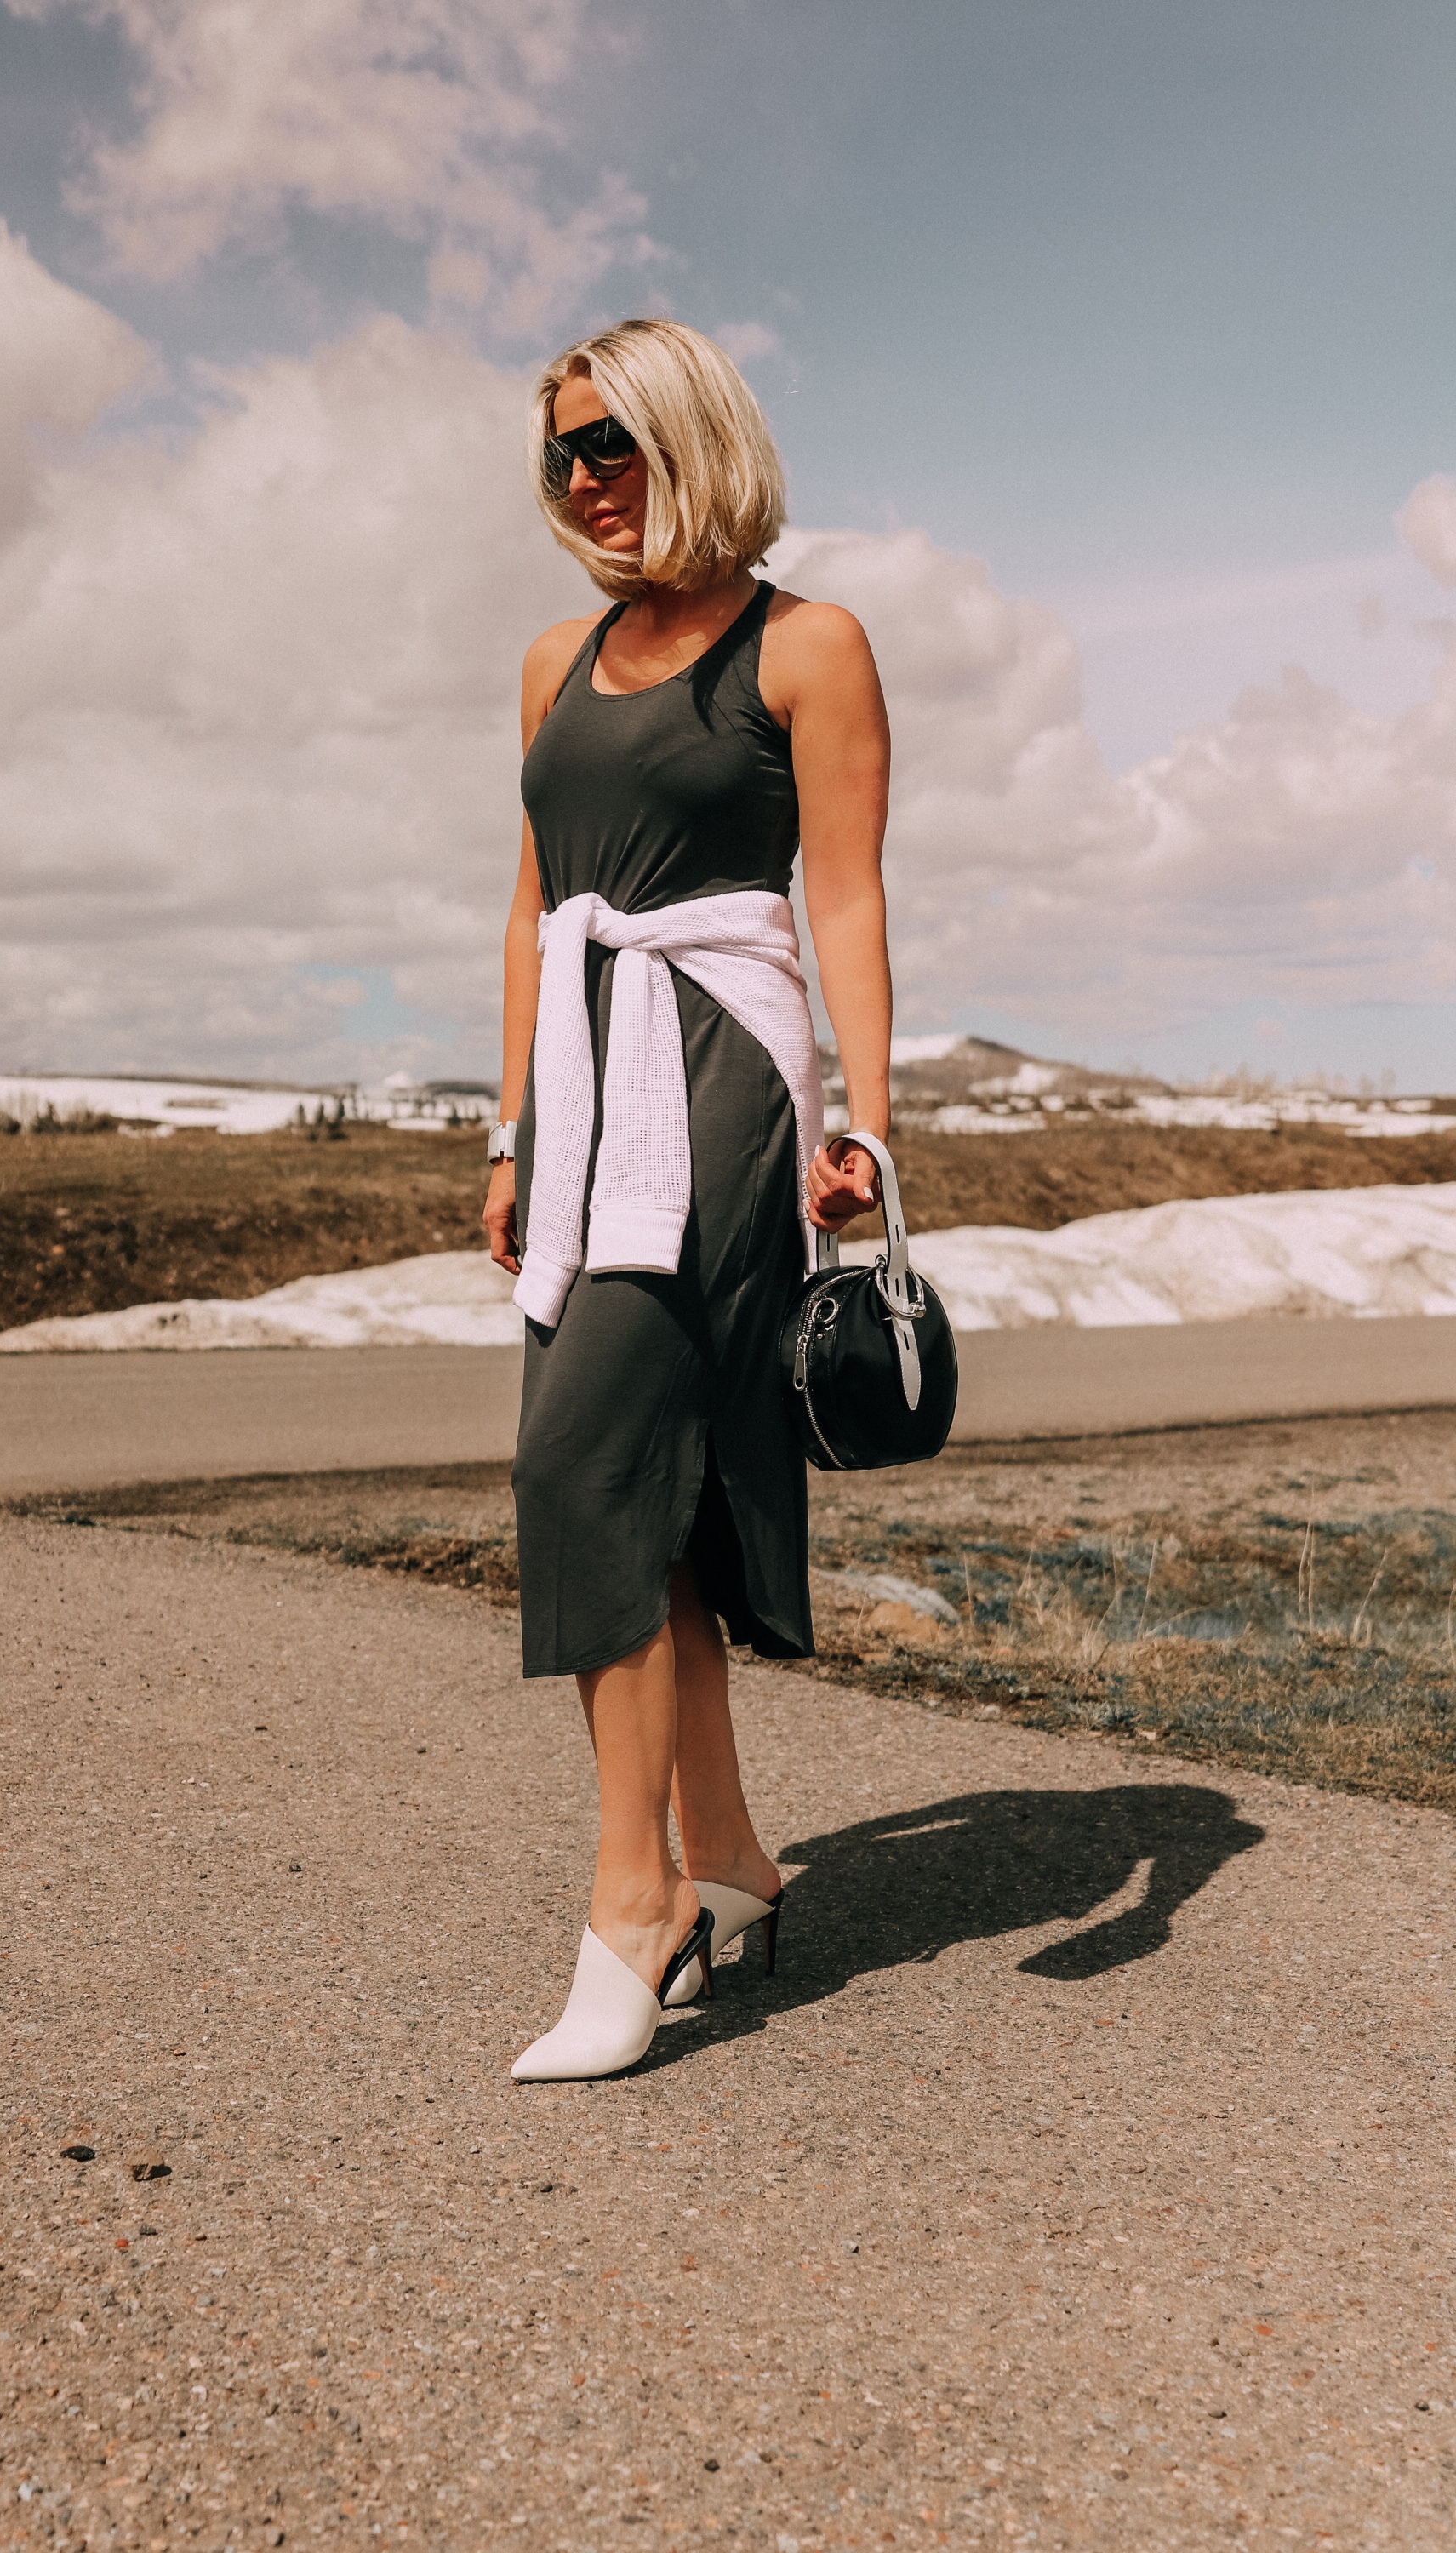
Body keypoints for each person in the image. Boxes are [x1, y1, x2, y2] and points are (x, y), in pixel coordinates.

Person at [482, 319, 893, 2082]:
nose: (588, 479)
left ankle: (632, 1905)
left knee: (584, 1455)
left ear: (693, 437)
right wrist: (506, 1129)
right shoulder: (547, 665)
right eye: (566, 452)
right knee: (654, 1483)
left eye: (616, 443)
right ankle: (725, 1859)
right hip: (584, 1089)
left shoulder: (809, 645)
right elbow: (528, 911)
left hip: (723, 1066)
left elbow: (850, 903)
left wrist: (866, 1119)